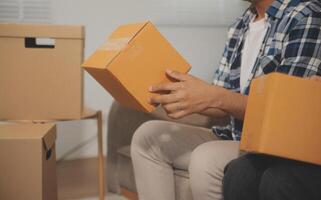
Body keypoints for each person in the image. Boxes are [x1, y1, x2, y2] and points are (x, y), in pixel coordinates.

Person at [130, 0, 321, 199]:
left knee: (206, 159)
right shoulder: (241, 24)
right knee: (147, 136)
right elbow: (223, 96)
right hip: (234, 135)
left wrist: (216, 97)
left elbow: (285, 111)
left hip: (272, 146)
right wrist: (186, 95)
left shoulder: (305, 16)